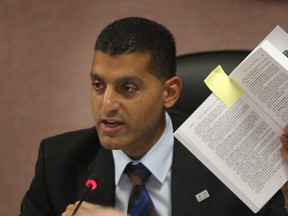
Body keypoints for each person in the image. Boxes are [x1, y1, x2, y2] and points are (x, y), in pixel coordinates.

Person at [20, 17, 288, 216]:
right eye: (98, 86)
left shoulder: (231, 161)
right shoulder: (58, 163)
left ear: (169, 92)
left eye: (127, 88)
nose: (107, 105)